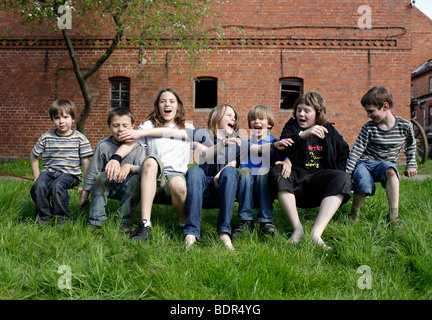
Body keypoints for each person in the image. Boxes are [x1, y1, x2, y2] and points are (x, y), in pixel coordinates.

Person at [104, 88, 195, 242]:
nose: (167, 104)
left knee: (178, 184)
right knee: (150, 162)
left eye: (172, 101)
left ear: (178, 106)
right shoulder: (148, 125)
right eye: (163, 101)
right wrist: (115, 158)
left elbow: (183, 136)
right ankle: (145, 224)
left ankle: (183, 222)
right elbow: (130, 143)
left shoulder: (188, 127)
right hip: (154, 177)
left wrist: (141, 133)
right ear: (158, 106)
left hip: (177, 176)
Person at [268, 92, 351, 250]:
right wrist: (302, 135)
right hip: (296, 183)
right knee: (277, 172)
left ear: (318, 113)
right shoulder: (292, 126)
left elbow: (344, 151)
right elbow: (283, 145)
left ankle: (316, 234)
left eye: (307, 110)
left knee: (343, 177)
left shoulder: (328, 130)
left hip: (318, 184)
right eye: (299, 110)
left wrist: (336, 173)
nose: (301, 114)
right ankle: (297, 229)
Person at [345, 86, 418, 227]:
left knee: (391, 170)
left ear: (385, 106)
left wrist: (411, 164)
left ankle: (394, 216)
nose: (368, 115)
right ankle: (354, 213)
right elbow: (356, 150)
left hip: (385, 164)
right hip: (364, 163)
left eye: (371, 111)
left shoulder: (405, 126)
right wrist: (347, 174)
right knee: (364, 184)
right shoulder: (369, 127)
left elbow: (411, 145)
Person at [78, 107, 145, 229]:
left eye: (125, 125)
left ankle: (122, 220)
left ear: (133, 126)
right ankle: (95, 220)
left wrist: (129, 168)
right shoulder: (103, 146)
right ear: (109, 126)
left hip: (129, 187)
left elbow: (140, 169)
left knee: (137, 180)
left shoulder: (138, 147)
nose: (120, 129)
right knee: (100, 177)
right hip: (108, 185)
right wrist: (84, 196)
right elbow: (93, 172)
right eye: (115, 125)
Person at [30, 99, 93, 225]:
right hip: (49, 172)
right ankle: (44, 218)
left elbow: (86, 162)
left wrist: (85, 185)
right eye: (57, 118)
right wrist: (37, 176)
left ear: (73, 118)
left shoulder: (80, 138)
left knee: (57, 186)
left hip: (70, 174)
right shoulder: (47, 137)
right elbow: (33, 155)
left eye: (65, 117)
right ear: (53, 119)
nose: (61, 121)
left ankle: (62, 219)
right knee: (39, 186)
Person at [235, 104, 292, 237]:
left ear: (270, 124)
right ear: (250, 123)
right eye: (253, 119)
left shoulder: (276, 143)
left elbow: (285, 158)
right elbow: (234, 162)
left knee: (264, 171)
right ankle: (245, 221)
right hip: (245, 184)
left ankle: (266, 222)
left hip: (265, 185)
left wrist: (287, 161)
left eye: (261, 118)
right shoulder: (244, 144)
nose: (257, 121)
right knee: (244, 172)